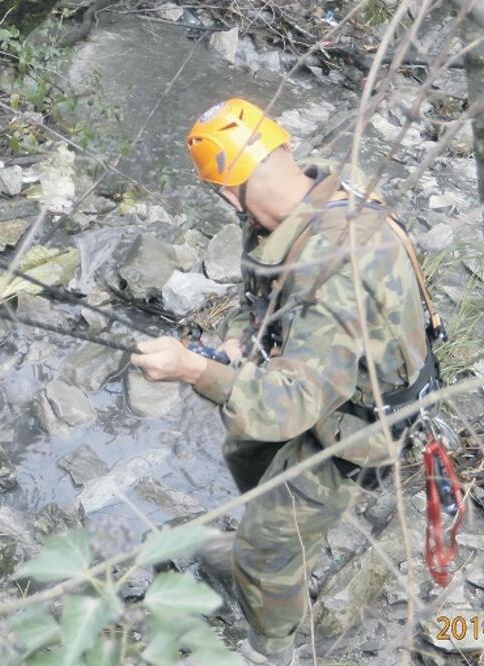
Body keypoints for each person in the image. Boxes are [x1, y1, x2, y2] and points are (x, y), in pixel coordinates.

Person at [130, 98, 443, 665]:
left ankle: (272, 646)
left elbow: (292, 407)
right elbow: (263, 299)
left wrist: (195, 370)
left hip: (359, 425)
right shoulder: (301, 205)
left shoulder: (335, 265)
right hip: (327, 384)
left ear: (228, 191)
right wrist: (235, 344)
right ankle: (272, 544)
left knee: (268, 542)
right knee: (244, 445)